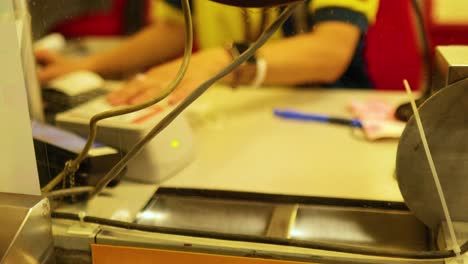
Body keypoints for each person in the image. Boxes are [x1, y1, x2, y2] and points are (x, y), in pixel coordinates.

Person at [36, 0, 379, 106]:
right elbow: (175, 29)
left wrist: (224, 62)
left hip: (320, 111)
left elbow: (330, 51)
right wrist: (88, 66)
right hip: (232, 109)